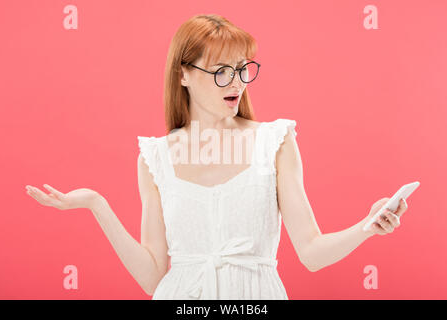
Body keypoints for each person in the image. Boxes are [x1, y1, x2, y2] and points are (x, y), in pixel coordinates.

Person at [25, 14, 408, 300]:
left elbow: (311, 252)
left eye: (243, 69)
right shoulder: (155, 158)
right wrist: (96, 204)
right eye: (222, 71)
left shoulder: (274, 142)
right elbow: (154, 277)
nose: (238, 82)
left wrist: (367, 226)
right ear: (184, 75)